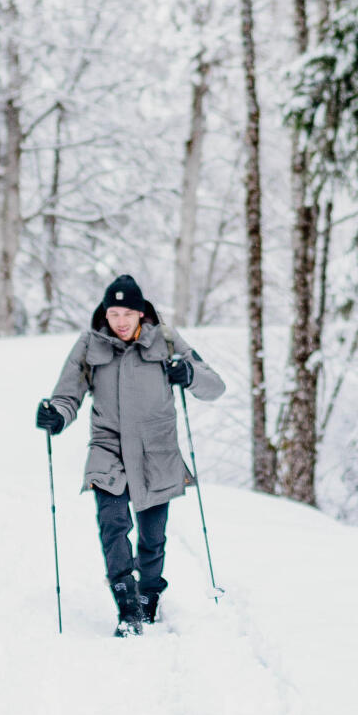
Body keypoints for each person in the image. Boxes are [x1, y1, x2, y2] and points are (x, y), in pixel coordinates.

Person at [35, 272, 226, 636]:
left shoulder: (166, 341)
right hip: (108, 450)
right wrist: (57, 416)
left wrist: (187, 373)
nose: (120, 321)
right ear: (105, 314)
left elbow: (214, 385)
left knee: (153, 538)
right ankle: (127, 607)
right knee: (113, 526)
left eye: (127, 313)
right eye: (114, 314)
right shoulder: (90, 345)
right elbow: (67, 394)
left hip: (157, 452)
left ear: (141, 314)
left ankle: (149, 596)